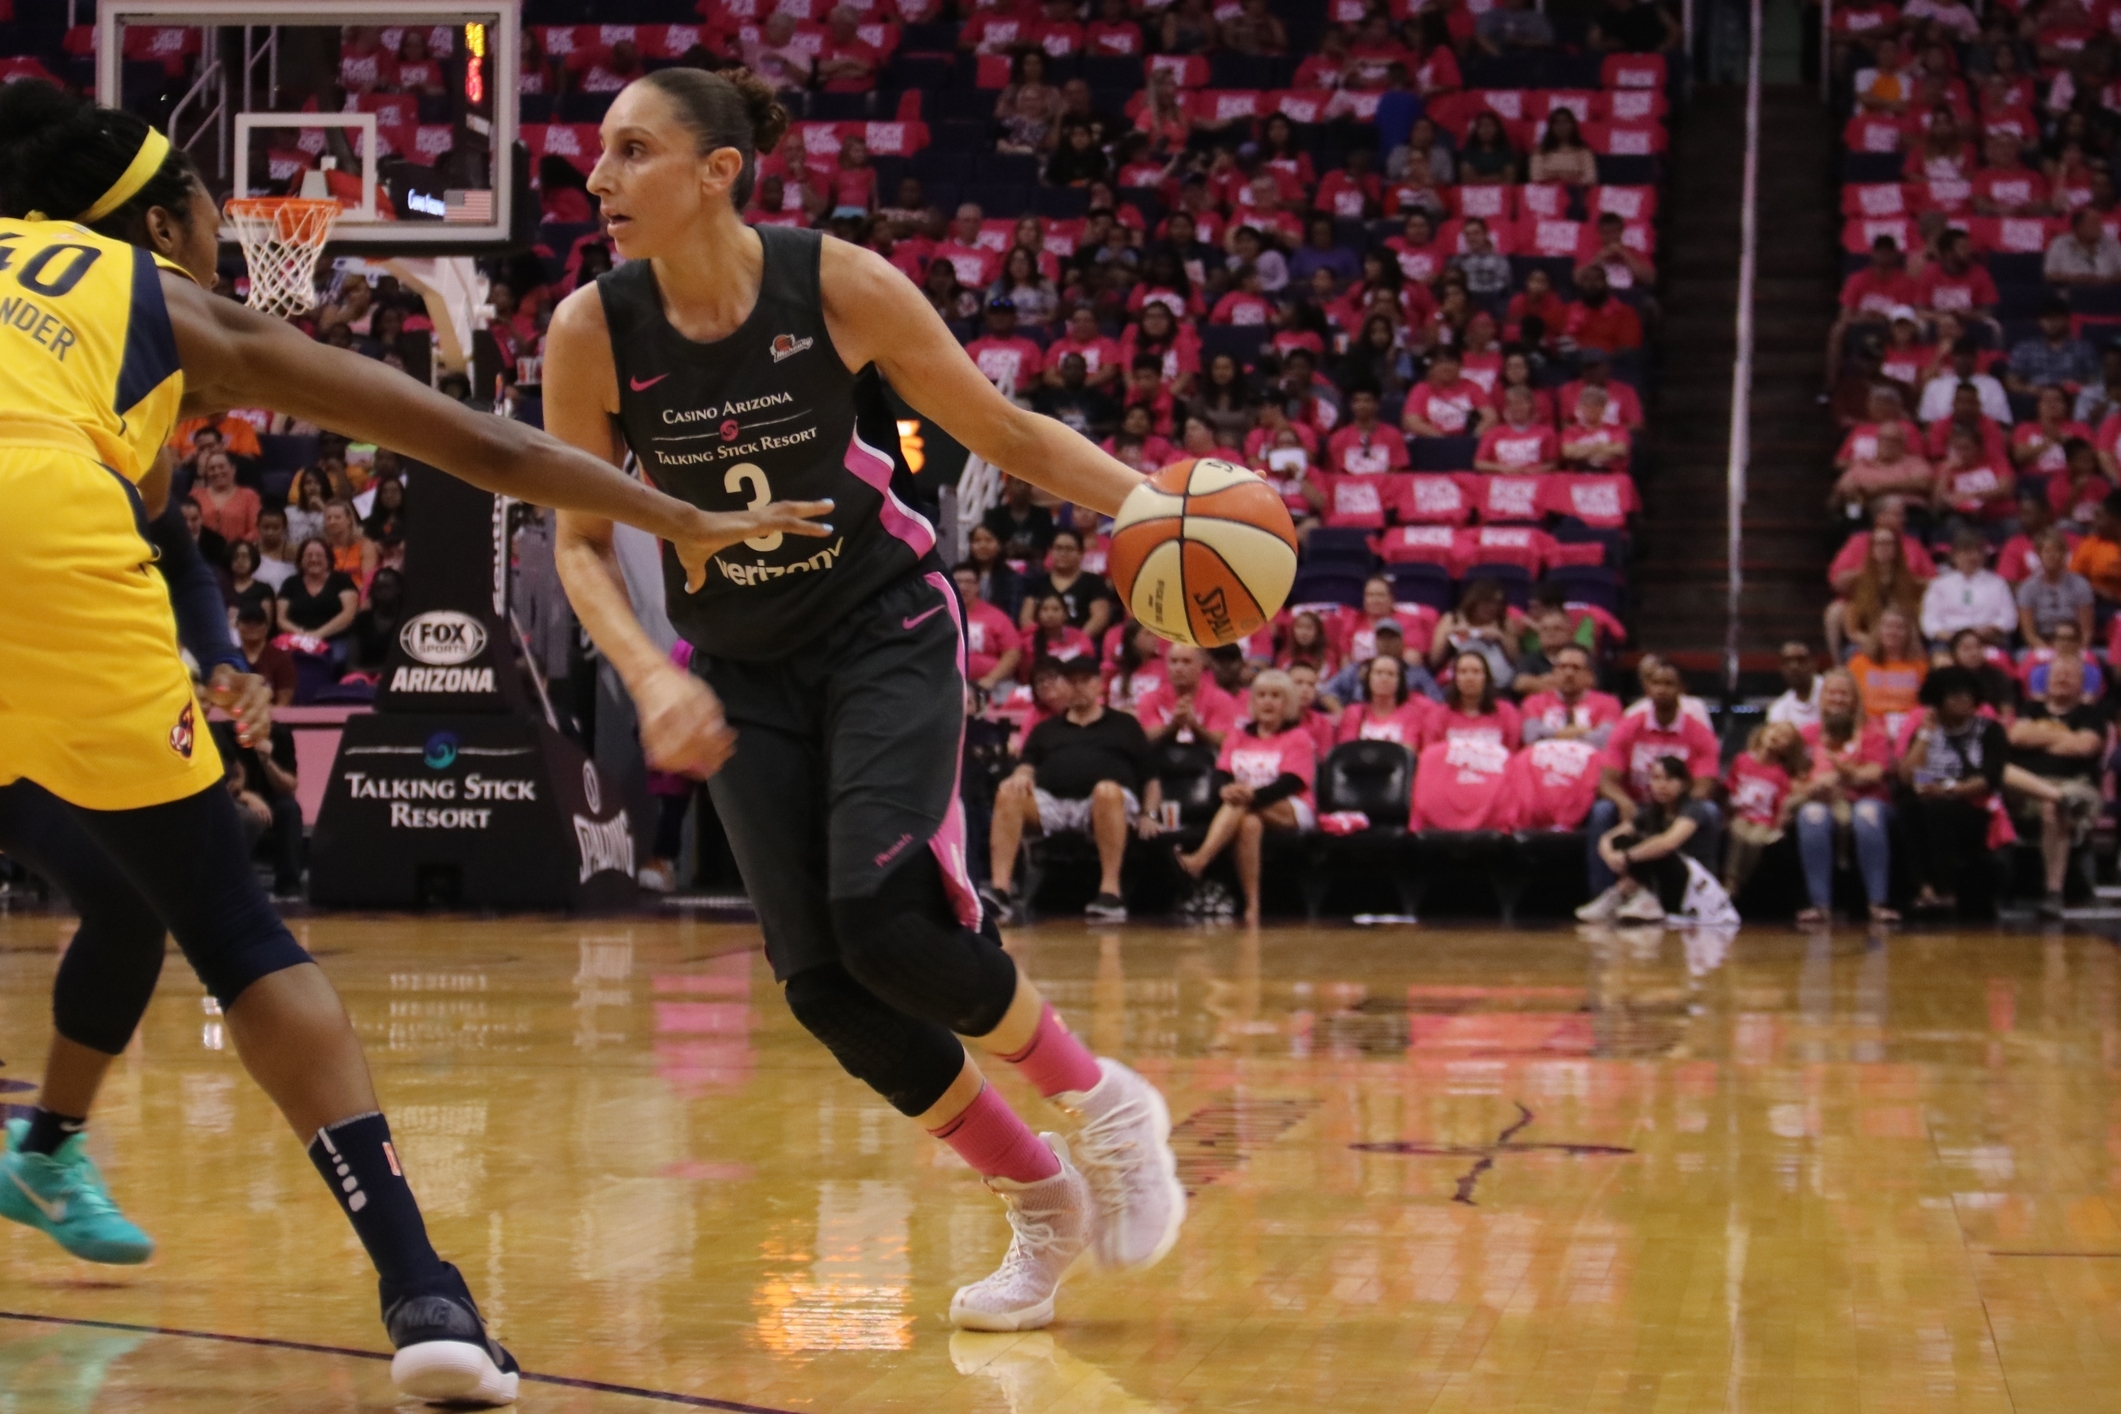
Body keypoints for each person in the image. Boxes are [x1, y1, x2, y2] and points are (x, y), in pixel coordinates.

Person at [0, 77, 838, 1405]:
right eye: (217, 204)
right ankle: (424, 1290)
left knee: (118, 900)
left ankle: (49, 1142)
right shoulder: (158, 296)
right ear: (166, 217)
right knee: (236, 933)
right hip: (49, 546)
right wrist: (677, 518)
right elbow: (472, 437)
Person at [542, 68, 1187, 1335]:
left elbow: (1004, 433)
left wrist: (1165, 508)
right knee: (828, 988)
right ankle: (1042, 1201)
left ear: (719, 171)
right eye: (599, 156)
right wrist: (652, 671)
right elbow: (576, 539)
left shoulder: (834, 283)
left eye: (632, 153)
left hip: (881, 626)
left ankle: (1109, 1105)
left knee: (884, 925)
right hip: (736, 665)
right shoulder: (590, 329)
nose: (600, 179)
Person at [985, 657, 1162, 925]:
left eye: (1085, 680)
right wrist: (1020, 775)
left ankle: (1110, 893)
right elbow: (1027, 764)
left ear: (1099, 685)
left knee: (1107, 790)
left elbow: (1150, 778)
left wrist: (1149, 813)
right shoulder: (1046, 729)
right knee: (1008, 793)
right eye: (1072, 681)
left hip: (1107, 804)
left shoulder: (1125, 725)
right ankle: (1001, 890)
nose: (1078, 687)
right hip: (1054, 803)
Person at [1173, 670, 1315, 925]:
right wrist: (1224, 790)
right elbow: (1221, 774)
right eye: (1261, 695)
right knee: (1249, 824)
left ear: (1288, 704)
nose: (1268, 702)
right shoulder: (1238, 736)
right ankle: (1252, 905)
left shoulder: (1298, 737)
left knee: (1241, 803)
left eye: (1276, 696)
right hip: (1246, 809)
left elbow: (1289, 783)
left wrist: (1250, 794)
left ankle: (1201, 858)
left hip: (1289, 807)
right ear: (1253, 702)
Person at [1591, 661, 1723, 896]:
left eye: (1669, 683)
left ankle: (1703, 894)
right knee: (1602, 811)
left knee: (1709, 812)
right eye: (1656, 683)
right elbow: (1607, 781)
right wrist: (1623, 802)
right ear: (1646, 687)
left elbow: (1704, 785)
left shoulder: (1699, 732)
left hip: (1677, 807)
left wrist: (1673, 807)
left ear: (1682, 689)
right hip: (1637, 806)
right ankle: (1604, 894)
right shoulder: (1628, 726)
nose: (1661, 689)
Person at [1897, 665, 2008, 917]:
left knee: (1938, 810)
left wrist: (1947, 788)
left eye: (1968, 694)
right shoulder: (1926, 730)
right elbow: (1906, 775)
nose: (1964, 700)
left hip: (1974, 805)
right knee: (1907, 808)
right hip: (1931, 802)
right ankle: (1923, 888)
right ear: (1939, 699)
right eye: (1956, 695)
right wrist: (1925, 735)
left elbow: (1989, 779)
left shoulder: (1990, 730)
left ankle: (1945, 889)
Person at [2005, 654, 2110, 917]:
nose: (2062, 678)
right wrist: (2064, 737)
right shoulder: (2030, 707)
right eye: (2057, 673)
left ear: (2082, 685)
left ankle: (2053, 892)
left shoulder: (2091, 714)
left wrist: (2038, 737)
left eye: (2069, 675)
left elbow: (2084, 746)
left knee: (2054, 804)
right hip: (2026, 786)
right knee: (1998, 770)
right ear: (2046, 680)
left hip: (2074, 786)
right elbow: (2016, 736)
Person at [1795, 668, 1898, 926]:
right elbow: (1796, 779)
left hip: (1869, 798)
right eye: (1832, 693)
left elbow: (1873, 774)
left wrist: (1840, 775)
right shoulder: (1807, 734)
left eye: (1844, 693)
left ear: (1855, 699)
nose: (1837, 699)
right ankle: (1820, 905)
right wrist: (1813, 786)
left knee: (1866, 814)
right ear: (1822, 697)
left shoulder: (1873, 730)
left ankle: (1877, 903)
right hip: (1823, 801)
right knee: (1812, 815)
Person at [1577, 757, 1706, 925]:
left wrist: (1627, 857)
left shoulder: (1694, 808)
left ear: (1683, 783)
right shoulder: (1652, 811)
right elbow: (1612, 836)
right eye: (1656, 778)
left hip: (1692, 883)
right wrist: (1610, 854)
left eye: (1669, 779)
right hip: (1662, 879)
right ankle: (1623, 893)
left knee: (1657, 848)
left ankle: (1643, 895)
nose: (1662, 785)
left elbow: (1669, 843)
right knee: (1623, 841)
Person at [1724, 721, 1807, 899]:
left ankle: (1742, 881)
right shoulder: (1742, 760)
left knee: (1755, 840)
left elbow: (1781, 803)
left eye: (1784, 736)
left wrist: (1778, 826)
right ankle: (1730, 880)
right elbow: (1730, 787)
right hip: (1741, 815)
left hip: (1763, 820)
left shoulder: (1780, 774)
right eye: (1774, 730)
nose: (1776, 736)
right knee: (1738, 833)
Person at [1138, 641, 1243, 748]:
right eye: (1173, 662)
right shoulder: (1149, 698)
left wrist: (1193, 725)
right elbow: (1148, 738)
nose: (1178, 668)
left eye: (1186, 662)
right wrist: (1175, 724)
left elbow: (1221, 742)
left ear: (1200, 665)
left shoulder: (1221, 699)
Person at [1017, 525, 1113, 637]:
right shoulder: (1038, 581)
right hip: (1041, 644)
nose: (1063, 553)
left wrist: (1076, 641)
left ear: (1081, 553)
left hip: (1080, 645)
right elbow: (1026, 618)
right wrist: (1040, 641)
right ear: (1050, 552)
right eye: (1058, 548)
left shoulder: (1094, 582)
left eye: (1069, 549)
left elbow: (1099, 618)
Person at [1520, 643, 1622, 745]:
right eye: (1563, 667)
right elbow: (1531, 737)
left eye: (1576, 668)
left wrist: (1554, 735)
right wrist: (1579, 732)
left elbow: (1604, 740)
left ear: (1589, 676)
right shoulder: (1534, 702)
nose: (1569, 673)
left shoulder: (1608, 703)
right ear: (1554, 672)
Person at [2017, 527, 2095, 650]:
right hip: (2041, 644)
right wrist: (2048, 651)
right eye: (2047, 551)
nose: (2052, 556)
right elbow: (2029, 634)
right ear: (2039, 554)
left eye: (2057, 551)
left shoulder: (2080, 584)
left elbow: (2087, 633)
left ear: (2064, 554)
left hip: (2074, 643)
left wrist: (2076, 651)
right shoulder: (2027, 588)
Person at [1336, 653, 1431, 745]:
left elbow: (1408, 753)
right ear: (1368, 678)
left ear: (1400, 681)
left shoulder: (1412, 715)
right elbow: (1346, 750)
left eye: (1391, 674)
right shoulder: (1354, 712)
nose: (1384, 678)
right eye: (1378, 673)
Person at [1768, 641, 1824, 729]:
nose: (1794, 666)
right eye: (1787, 661)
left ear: (1814, 662)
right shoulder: (1778, 710)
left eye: (1801, 660)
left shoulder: (1832, 694)